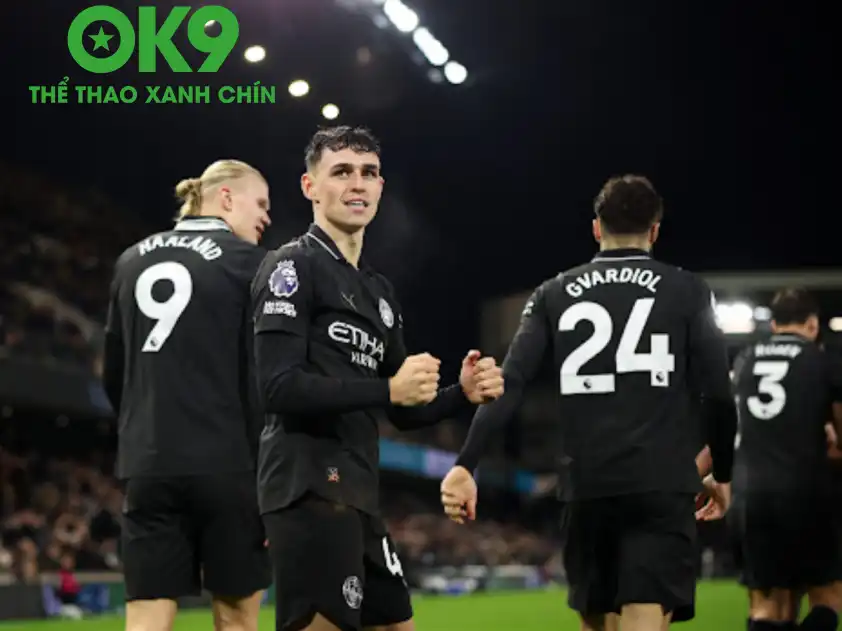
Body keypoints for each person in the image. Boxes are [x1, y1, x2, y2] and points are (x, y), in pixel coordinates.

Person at [440, 174, 737, 631]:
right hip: (659, 483)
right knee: (645, 616)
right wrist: (723, 473)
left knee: (597, 622)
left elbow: (509, 382)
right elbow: (717, 393)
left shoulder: (552, 292)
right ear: (655, 230)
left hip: (587, 485)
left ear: (596, 228)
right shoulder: (688, 289)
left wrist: (466, 463)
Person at [251, 125, 504, 631]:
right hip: (308, 487)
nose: (357, 184)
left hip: (360, 495)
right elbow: (278, 387)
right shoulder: (292, 266)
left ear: (381, 188)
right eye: (341, 172)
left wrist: (462, 393)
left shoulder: (379, 292)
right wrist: (388, 388)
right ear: (310, 186)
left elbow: (404, 412)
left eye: (368, 173)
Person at [102, 160, 273, 631]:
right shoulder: (252, 264)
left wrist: (141, 434)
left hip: (148, 465)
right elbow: (263, 378)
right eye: (260, 204)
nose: (266, 217)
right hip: (229, 467)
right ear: (226, 198)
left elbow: (114, 374)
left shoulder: (130, 260)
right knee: (236, 620)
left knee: (145, 618)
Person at [727, 288, 842, 631]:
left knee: (770, 605)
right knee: (828, 595)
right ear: (813, 324)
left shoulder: (744, 360)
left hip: (750, 495)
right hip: (806, 492)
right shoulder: (820, 360)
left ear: (774, 324)